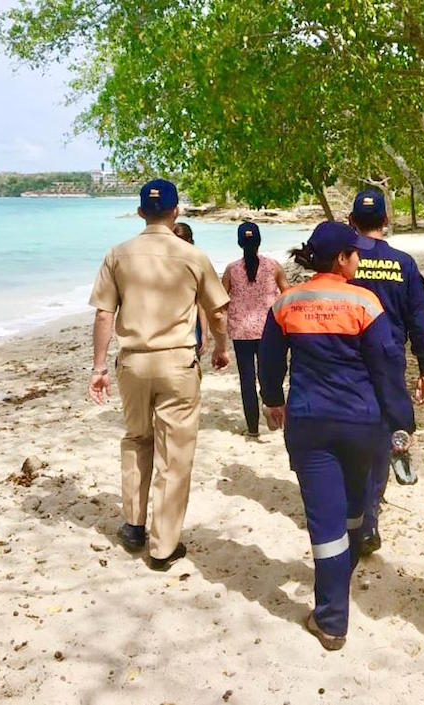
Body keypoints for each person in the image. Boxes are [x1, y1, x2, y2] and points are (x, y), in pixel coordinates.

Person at [259, 221, 414, 650]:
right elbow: (387, 369)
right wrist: (403, 422)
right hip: (363, 424)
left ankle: (330, 619)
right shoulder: (366, 301)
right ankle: (336, 595)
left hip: (309, 424)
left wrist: (273, 399)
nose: (360, 260)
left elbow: (270, 361)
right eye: (355, 254)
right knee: (353, 511)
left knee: (325, 521)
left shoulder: (288, 301)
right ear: (342, 258)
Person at [88, 179, 231, 572]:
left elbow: (104, 314)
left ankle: (134, 525)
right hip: (176, 362)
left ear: (139, 213)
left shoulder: (117, 254)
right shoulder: (192, 255)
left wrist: (99, 367)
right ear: (176, 212)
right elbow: (217, 312)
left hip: (132, 361)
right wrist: (221, 346)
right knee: (175, 453)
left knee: (136, 439)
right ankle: (163, 545)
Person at [346, 189, 424, 556]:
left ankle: (350, 510)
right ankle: (370, 518)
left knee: (348, 432)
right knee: (382, 434)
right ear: (386, 222)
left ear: (351, 222)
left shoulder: (341, 260)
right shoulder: (404, 264)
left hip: (345, 358)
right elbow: (418, 319)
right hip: (388, 360)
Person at [221, 221, 290, 437]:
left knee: (246, 379)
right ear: (260, 241)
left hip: (241, 332)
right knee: (269, 375)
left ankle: (252, 428)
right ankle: (275, 412)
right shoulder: (274, 266)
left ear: (239, 242)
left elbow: (222, 301)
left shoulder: (231, 269)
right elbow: (287, 294)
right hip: (270, 331)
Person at [173, 222, 209, 353]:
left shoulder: (160, 265)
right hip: (190, 328)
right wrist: (205, 334)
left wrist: (204, 334)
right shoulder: (197, 265)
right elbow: (202, 304)